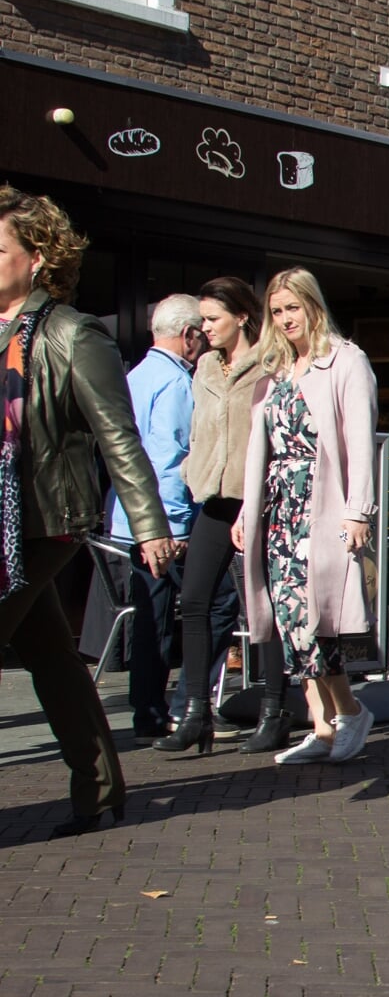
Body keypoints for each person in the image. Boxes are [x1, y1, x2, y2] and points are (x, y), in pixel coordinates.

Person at [0, 186, 175, 836]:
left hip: (46, 519)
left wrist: (150, 526)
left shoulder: (75, 334)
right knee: (49, 653)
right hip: (2, 520)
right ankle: (100, 787)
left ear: (38, 257)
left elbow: (119, 437)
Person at [234, 268, 379, 766]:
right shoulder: (276, 371)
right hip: (279, 510)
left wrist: (358, 511)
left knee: (319, 623)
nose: (284, 319)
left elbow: (360, 442)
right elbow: (263, 448)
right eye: (276, 311)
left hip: (321, 508)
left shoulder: (345, 360)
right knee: (292, 624)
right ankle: (321, 727)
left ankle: (351, 713)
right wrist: (246, 511)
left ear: (312, 305)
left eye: (292, 308)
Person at [156, 278, 275, 754]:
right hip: (213, 498)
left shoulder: (269, 363)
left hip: (255, 500)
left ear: (242, 316)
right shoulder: (204, 365)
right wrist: (192, 471)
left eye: (212, 319)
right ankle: (195, 713)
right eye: (202, 320)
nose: (204, 329)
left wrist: (257, 497)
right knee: (194, 600)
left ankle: (274, 709)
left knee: (262, 606)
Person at [106, 294, 203, 740]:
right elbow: (171, 459)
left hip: (130, 519)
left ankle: (148, 708)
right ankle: (164, 708)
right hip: (162, 523)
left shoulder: (135, 377)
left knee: (150, 616)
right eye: (200, 334)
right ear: (188, 336)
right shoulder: (178, 384)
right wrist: (177, 526)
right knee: (182, 614)